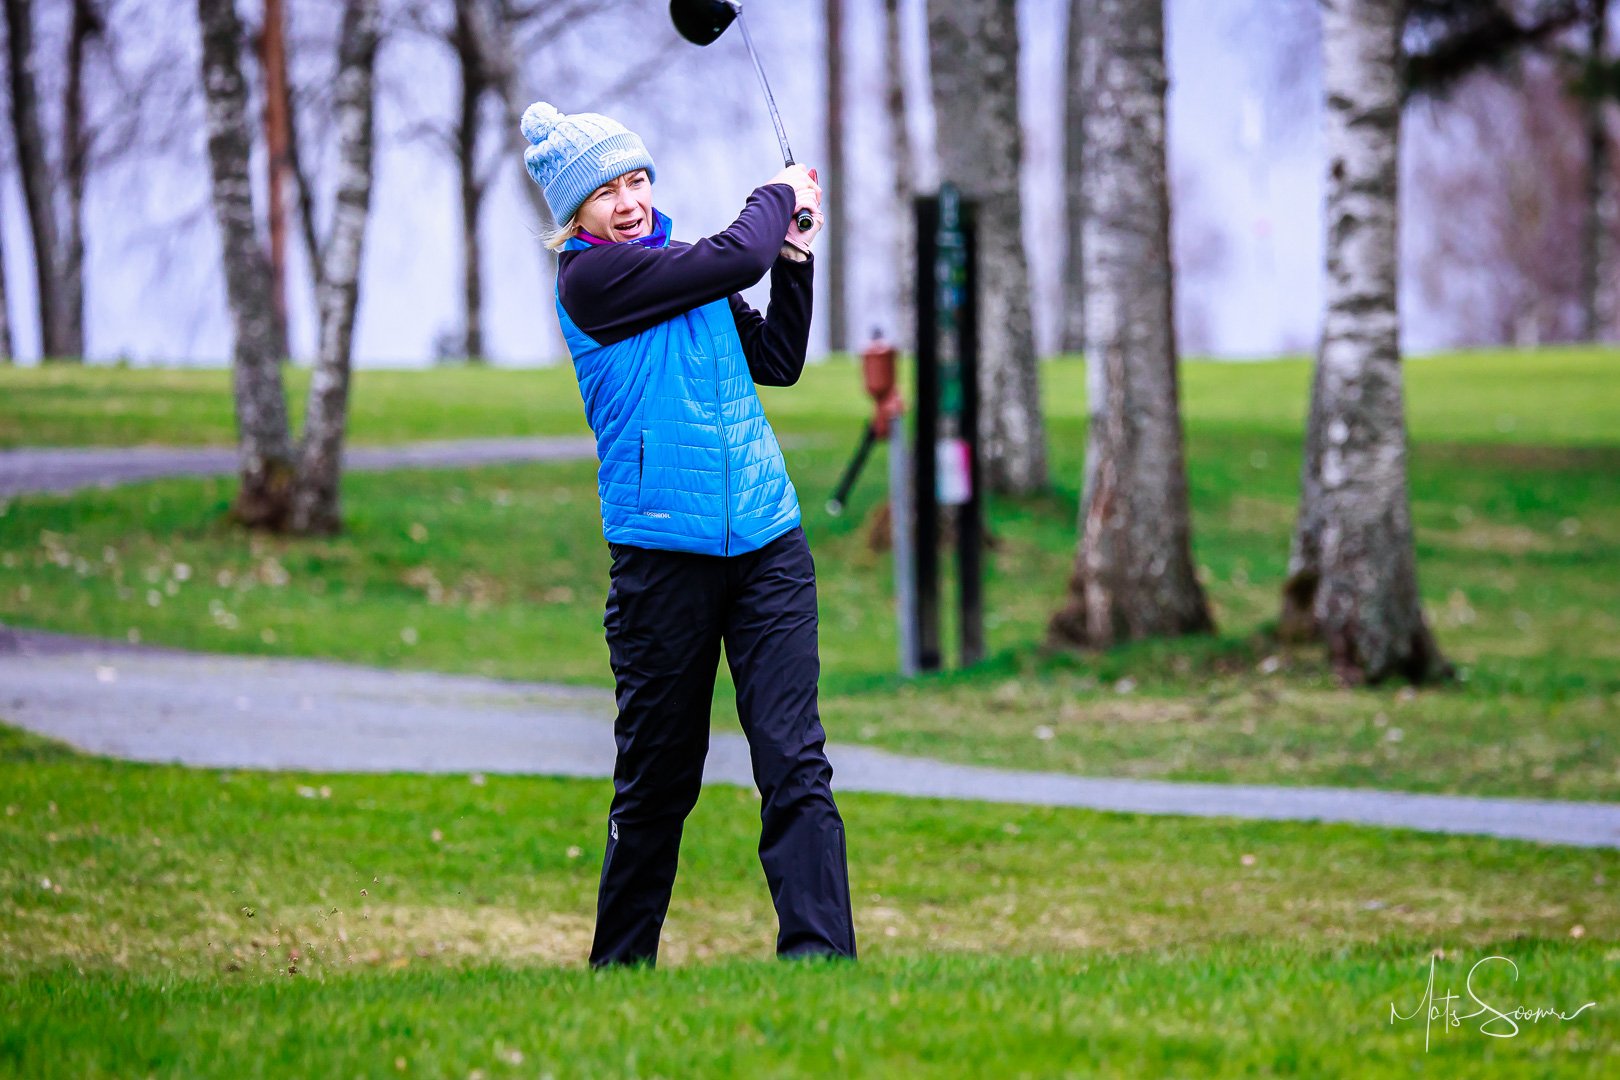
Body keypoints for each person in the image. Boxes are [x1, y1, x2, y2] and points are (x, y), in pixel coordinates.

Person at [520, 101, 858, 969]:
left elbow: (778, 359)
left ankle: (820, 961)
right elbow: (735, 249)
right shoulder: (592, 286)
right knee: (659, 780)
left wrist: (794, 257)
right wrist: (775, 197)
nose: (627, 201)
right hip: (661, 562)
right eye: (604, 191)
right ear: (575, 215)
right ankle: (620, 969)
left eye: (636, 180)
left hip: (766, 544)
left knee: (794, 760)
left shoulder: (686, 270)